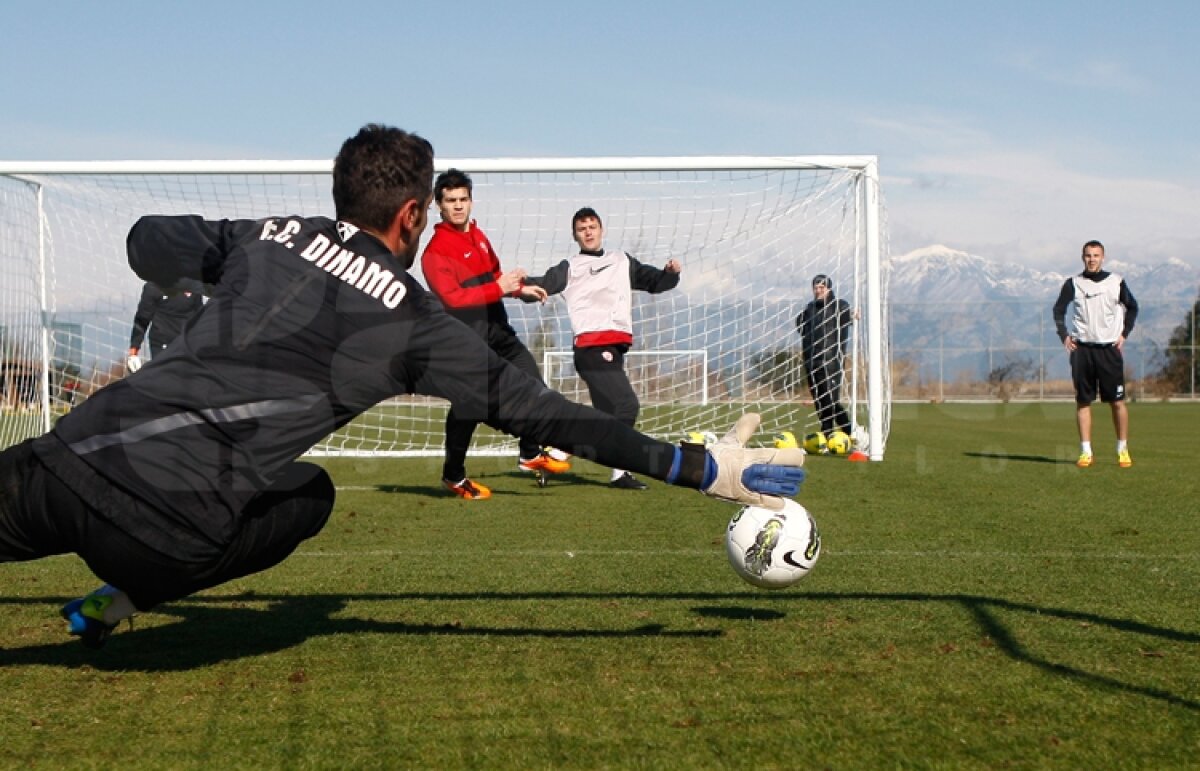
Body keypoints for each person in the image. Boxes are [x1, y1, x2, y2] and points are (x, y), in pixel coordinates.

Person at [0, 124, 805, 650]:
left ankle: (118, 590)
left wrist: (202, 256)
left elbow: (145, 242)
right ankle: (124, 596)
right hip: (161, 530)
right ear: (414, 214)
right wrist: (702, 467)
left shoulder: (267, 235)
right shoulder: (413, 324)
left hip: (65, 458)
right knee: (308, 496)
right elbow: (551, 416)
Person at [420, 168, 568, 500]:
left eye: (463, 199)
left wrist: (520, 290)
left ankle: (529, 454)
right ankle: (454, 476)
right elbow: (453, 299)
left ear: (471, 201)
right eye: (450, 201)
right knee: (468, 407)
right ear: (439, 206)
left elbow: (496, 276)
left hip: (499, 330)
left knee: (532, 383)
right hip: (467, 340)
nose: (458, 206)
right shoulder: (435, 253)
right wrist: (498, 287)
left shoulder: (480, 236)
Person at [526, 207, 681, 490]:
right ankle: (595, 464)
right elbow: (543, 284)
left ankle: (558, 457)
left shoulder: (621, 261)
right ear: (575, 235)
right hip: (591, 348)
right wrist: (514, 286)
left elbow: (654, 281)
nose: (588, 232)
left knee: (605, 419)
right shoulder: (570, 267)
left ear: (601, 230)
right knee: (626, 405)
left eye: (592, 226)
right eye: (582, 228)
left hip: (614, 348)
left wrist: (670, 273)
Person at [1052, 240, 1139, 468]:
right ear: (1083, 258)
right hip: (1083, 351)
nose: (1092, 259)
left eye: (1096, 255)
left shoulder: (1116, 282)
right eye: (1088, 255)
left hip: (1109, 350)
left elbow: (1133, 307)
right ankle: (1086, 452)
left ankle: (1122, 449)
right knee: (1083, 402)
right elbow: (1058, 309)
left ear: (1103, 258)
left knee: (1117, 402)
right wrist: (1064, 335)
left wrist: (1124, 334)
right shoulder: (1073, 284)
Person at [796, 274, 854, 437]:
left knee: (831, 401)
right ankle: (828, 434)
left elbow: (847, 317)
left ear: (829, 288)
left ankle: (851, 433)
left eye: (821, 287)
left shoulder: (840, 306)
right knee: (820, 402)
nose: (818, 291)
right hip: (812, 362)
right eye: (815, 288)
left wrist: (852, 315)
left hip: (831, 362)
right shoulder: (810, 309)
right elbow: (801, 327)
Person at [126, 279, 206, 372]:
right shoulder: (154, 287)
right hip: (162, 343)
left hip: (187, 343)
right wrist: (133, 352)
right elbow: (142, 318)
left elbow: (200, 316)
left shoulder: (192, 285)